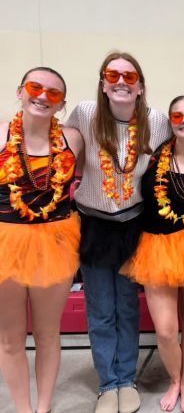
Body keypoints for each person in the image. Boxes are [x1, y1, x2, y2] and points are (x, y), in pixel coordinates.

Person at [66, 52, 171, 413]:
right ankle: (107, 383)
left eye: (130, 76)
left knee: (127, 307)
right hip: (94, 222)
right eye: (113, 74)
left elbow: (172, 163)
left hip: (133, 223)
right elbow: (67, 153)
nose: (121, 81)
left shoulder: (157, 121)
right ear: (102, 82)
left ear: (141, 86)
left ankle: (127, 379)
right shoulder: (84, 113)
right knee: (101, 309)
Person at [120, 95, 184, 412]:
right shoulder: (153, 153)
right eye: (178, 115)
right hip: (154, 246)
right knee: (166, 329)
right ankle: (174, 378)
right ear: (171, 120)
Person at [0, 67, 82, 413]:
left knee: (48, 334)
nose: (43, 96)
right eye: (35, 87)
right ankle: (22, 409)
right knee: (10, 339)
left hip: (56, 241)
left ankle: (44, 407)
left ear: (61, 104)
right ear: (20, 91)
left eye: (54, 93)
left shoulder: (72, 139)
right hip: (6, 241)